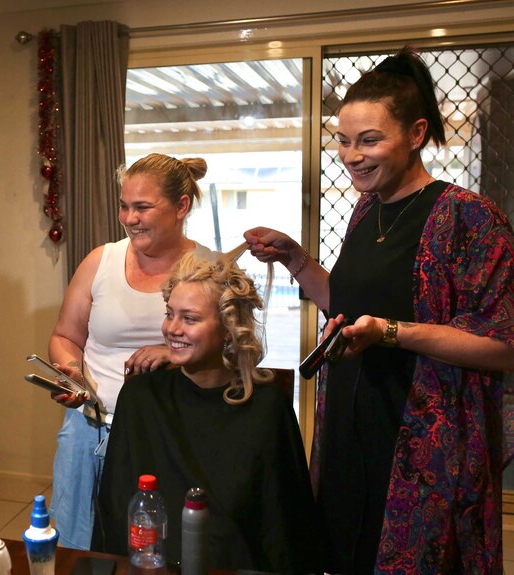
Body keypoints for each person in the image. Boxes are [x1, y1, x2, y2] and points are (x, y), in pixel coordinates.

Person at [244, 47, 514, 573]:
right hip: (351, 422)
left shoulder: (470, 218)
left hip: (426, 443)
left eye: (370, 140)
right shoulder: (367, 210)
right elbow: (348, 307)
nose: (351, 155)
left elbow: (504, 347)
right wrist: (296, 259)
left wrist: (392, 332)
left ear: (415, 134)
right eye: (343, 140)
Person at [93, 248, 323, 574]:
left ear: (229, 329)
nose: (172, 328)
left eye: (189, 318)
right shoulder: (141, 397)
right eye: (169, 313)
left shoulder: (266, 408)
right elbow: (113, 512)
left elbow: (284, 527)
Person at [48, 153, 214, 549]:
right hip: (90, 427)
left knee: (155, 544)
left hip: (170, 432)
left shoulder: (209, 268)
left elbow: (236, 355)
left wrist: (173, 352)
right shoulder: (100, 261)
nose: (129, 217)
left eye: (142, 207)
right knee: (78, 543)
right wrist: (71, 370)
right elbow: (65, 336)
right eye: (124, 206)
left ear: (181, 207)